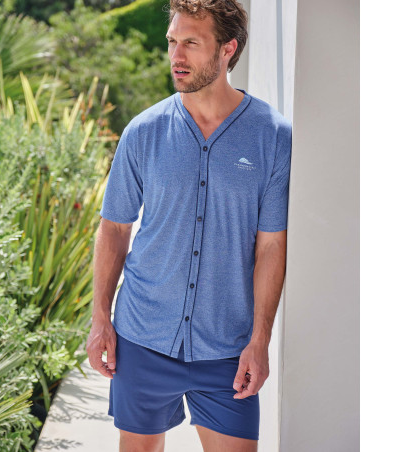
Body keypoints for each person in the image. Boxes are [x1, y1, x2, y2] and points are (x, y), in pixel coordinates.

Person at [86, 0, 292, 450]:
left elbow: (271, 247)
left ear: (227, 49)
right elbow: (115, 230)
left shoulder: (272, 136)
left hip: (227, 349)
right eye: (172, 42)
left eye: (192, 43)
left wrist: (260, 340)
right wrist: (101, 317)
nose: (176, 56)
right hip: (143, 337)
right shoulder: (143, 132)